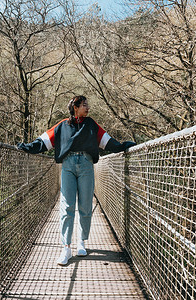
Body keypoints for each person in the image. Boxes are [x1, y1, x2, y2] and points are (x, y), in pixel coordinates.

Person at [16, 95, 136, 265]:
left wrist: (124, 146)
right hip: (68, 166)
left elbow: (107, 142)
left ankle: (81, 242)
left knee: (86, 205)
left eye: (87, 104)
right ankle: (66, 248)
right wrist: (26, 147)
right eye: (84, 105)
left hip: (86, 165)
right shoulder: (62, 126)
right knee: (67, 205)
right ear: (75, 107)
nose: (88, 108)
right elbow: (44, 142)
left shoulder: (91, 125)